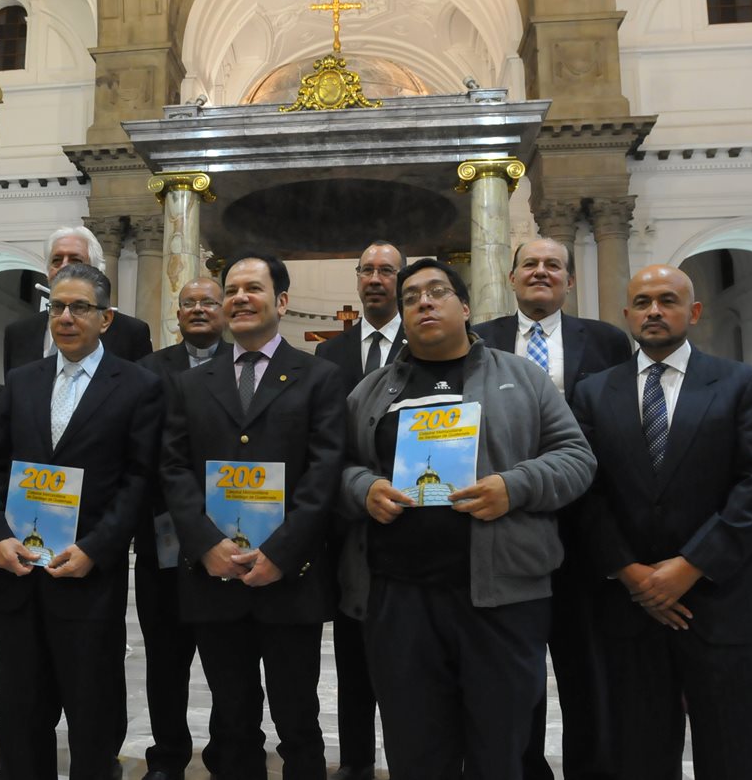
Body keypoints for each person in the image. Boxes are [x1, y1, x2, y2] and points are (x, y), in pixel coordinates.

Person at [339, 258, 596, 779]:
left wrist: (513, 486)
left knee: (498, 747)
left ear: (466, 307)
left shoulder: (523, 378)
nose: (423, 303)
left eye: (436, 292)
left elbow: (577, 459)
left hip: (502, 599)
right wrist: (364, 488)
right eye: (410, 298)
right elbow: (337, 467)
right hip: (398, 598)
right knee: (415, 748)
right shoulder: (371, 391)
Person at [571, 264, 752, 779]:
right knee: (637, 750)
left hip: (717, 597)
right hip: (630, 602)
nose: (654, 311)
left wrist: (690, 566)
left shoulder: (743, 383)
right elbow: (585, 494)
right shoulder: (594, 392)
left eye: (667, 300)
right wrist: (631, 571)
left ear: (694, 310)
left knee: (731, 748)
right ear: (627, 315)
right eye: (642, 302)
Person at [162, 252, 346, 780]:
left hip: (290, 579)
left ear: (282, 302)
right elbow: (174, 469)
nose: (239, 298)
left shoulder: (319, 377)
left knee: (298, 717)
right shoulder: (191, 383)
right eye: (231, 290)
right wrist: (206, 544)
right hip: (214, 577)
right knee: (231, 717)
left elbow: (324, 474)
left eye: (253, 288)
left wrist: (281, 553)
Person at [0, 263, 162, 780]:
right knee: (20, 715)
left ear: (105, 319)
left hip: (86, 577)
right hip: (17, 575)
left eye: (79, 307)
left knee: (91, 717)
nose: (65, 317)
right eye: (56, 307)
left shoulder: (138, 386)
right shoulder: (22, 381)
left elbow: (138, 480)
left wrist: (97, 549)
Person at [472, 237, 631, 780]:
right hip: (506, 528)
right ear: (512, 277)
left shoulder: (609, 342)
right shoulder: (479, 340)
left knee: (588, 666)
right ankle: (523, 769)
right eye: (530, 264)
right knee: (516, 669)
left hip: (587, 531)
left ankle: (591, 769)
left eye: (553, 265)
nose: (541, 272)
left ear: (570, 280)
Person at [313, 240, 406, 780]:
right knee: (351, 656)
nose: (375, 279)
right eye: (367, 270)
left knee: (406, 656)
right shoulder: (332, 354)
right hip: (348, 522)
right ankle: (354, 762)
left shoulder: (424, 343)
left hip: (414, 517)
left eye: (386, 271)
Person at [136, 277, 230, 780]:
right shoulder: (149, 370)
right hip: (162, 540)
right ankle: (167, 757)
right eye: (188, 302)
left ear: (224, 311)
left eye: (207, 302)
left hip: (225, 535)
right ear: (177, 313)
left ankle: (224, 753)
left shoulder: (246, 364)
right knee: (165, 661)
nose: (198, 309)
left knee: (226, 661)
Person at [2, 226, 152, 374]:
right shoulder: (18, 333)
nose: (64, 267)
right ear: (48, 273)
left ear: (96, 271)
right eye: (56, 260)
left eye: (75, 260)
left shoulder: (130, 333)